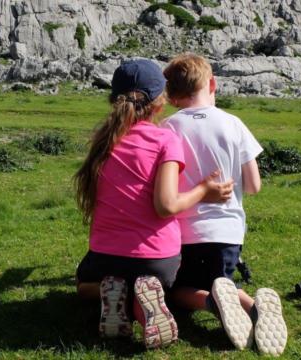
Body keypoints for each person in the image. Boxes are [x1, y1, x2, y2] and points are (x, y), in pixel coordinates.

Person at [73, 59, 234, 349]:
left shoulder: (103, 142)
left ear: (113, 99)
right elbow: (166, 205)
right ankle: (141, 306)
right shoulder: (165, 140)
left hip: (106, 257)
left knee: (83, 286)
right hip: (157, 260)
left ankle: (116, 296)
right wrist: (204, 190)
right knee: (160, 288)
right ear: (160, 102)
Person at [161, 53, 288, 356]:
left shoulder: (168, 127)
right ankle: (253, 306)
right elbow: (254, 185)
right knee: (222, 280)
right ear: (212, 83)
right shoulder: (234, 122)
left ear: (173, 96)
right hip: (229, 232)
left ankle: (212, 302)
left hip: (187, 233)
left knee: (178, 291)